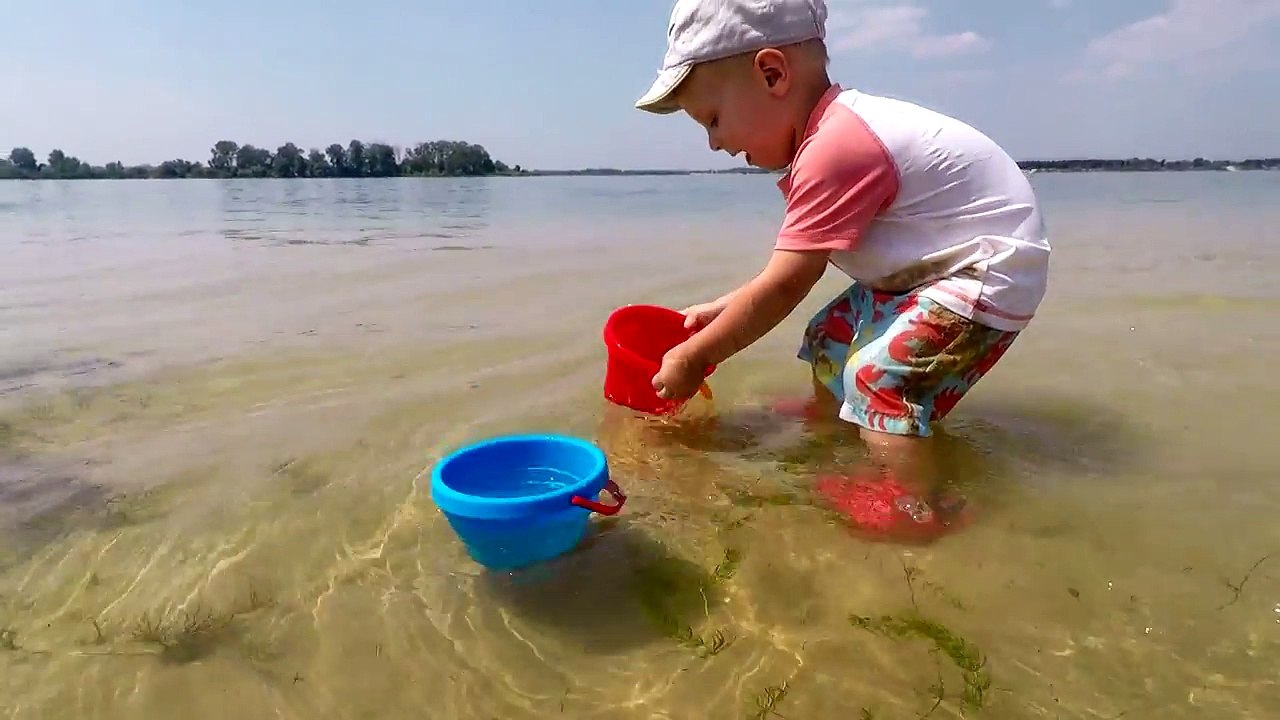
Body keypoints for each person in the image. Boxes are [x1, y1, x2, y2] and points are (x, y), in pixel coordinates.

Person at [635, 0, 1051, 528]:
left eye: (713, 120)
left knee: (878, 377)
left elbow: (788, 282)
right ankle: (833, 419)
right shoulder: (827, 137)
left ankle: (915, 506)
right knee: (830, 336)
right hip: (935, 269)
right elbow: (792, 268)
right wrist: (726, 307)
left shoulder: (837, 147)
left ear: (771, 73)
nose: (715, 143)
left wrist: (696, 357)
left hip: (988, 270)